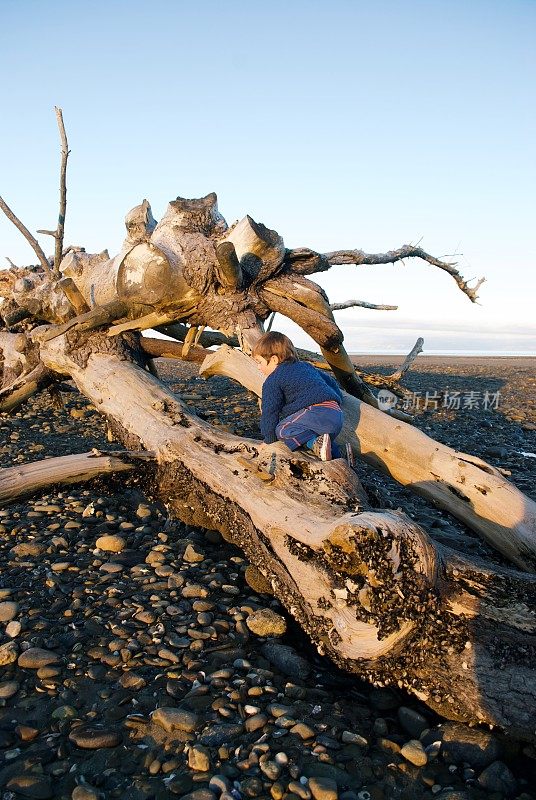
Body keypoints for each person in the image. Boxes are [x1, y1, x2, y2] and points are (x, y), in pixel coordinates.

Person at [252, 331, 343, 461]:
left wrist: (268, 440)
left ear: (274, 359)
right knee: (316, 437)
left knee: (283, 430)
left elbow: (270, 411)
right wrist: (338, 398)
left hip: (316, 414)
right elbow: (330, 382)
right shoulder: (305, 366)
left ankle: (314, 443)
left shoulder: (273, 380)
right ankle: (338, 454)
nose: (258, 367)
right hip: (336, 416)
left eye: (259, 362)